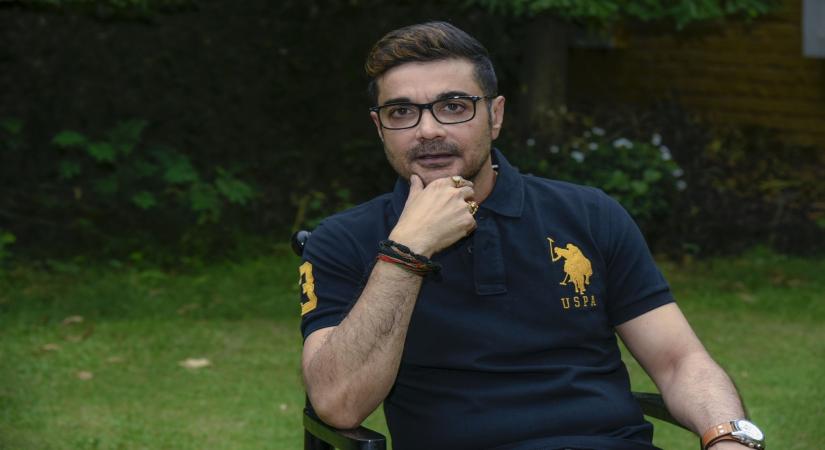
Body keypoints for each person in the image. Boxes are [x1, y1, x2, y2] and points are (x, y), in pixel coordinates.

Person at [298, 21, 765, 450]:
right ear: (380, 127)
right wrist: (406, 251)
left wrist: (727, 436)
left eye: (454, 107)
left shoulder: (589, 215)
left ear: (495, 115)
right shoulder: (343, 240)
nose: (428, 129)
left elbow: (680, 361)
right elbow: (338, 405)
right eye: (402, 112)